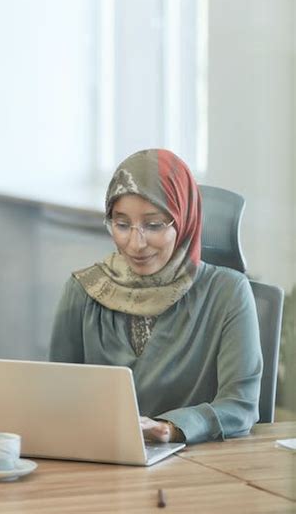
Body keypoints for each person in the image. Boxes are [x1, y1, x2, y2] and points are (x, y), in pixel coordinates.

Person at [49, 148, 263, 445]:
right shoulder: (84, 290)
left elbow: (240, 405)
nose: (136, 243)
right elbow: (57, 397)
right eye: (122, 224)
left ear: (185, 219)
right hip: (101, 462)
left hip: (197, 466)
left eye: (153, 225)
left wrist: (171, 428)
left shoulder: (228, 293)